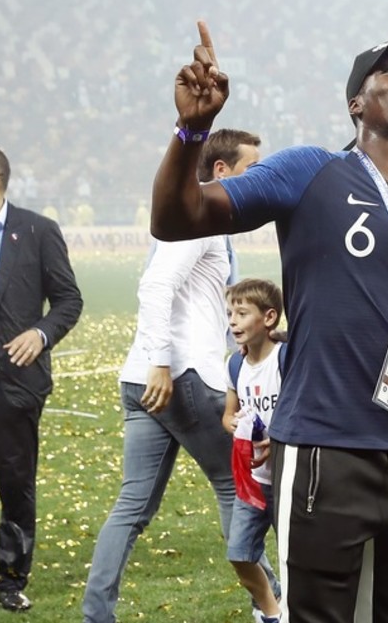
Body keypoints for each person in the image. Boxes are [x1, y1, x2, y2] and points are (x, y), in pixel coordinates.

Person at [148, 21, 388, 622]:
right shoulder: (313, 170)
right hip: (321, 446)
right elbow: (179, 216)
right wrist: (192, 131)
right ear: (357, 103)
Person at [81, 128, 265, 623]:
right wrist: (162, 360)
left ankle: (96, 615)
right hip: (179, 375)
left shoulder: (203, 221)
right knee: (235, 486)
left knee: (132, 507)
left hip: (144, 376)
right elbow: (156, 284)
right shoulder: (199, 218)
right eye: (253, 168)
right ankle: (272, 607)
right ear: (222, 172)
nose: (261, 178)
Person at [0, 142, 82, 613]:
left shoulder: (36, 230)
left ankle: (11, 578)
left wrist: (41, 332)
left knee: (15, 483)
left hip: (10, 378)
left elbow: (69, 301)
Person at [222, 278, 286, 623]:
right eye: (230, 312)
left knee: (297, 557)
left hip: (290, 479)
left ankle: (296, 609)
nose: (232, 320)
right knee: (239, 552)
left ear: (270, 318)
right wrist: (235, 425)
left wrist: (276, 436)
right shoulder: (235, 365)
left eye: (242, 313)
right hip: (253, 482)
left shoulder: (284, 358)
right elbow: (227, 415)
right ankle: (271, 611)